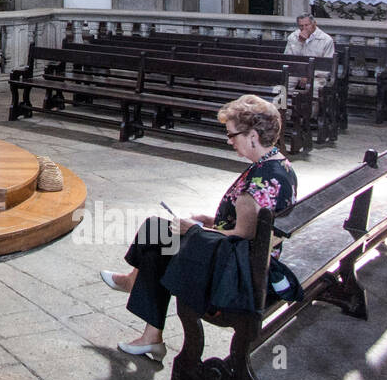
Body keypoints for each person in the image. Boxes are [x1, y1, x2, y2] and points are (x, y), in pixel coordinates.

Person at [100, 94, 298, 359]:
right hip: (257, 258)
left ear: (252, 135)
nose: (230, 142)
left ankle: (144, 315)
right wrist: (211, 221)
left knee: (160, 238)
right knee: (159, 234)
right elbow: (248, 232)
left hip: (241, 271)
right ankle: (147, 325)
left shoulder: (256, 186)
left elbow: (240, 238)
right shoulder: (280, 165)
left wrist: (196, 230)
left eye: (232, 135)